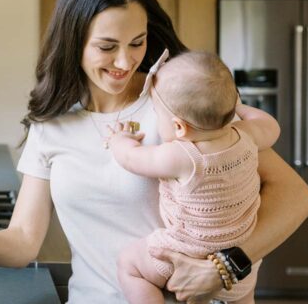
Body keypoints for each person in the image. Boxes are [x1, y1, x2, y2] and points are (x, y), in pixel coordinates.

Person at [0, 0, 308, 303]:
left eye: (138, 42)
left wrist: (226, 264)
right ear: (74, 41)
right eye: (107, 46)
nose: (125, 61)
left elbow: (296, 196)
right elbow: (22, 243)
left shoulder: (176, 105)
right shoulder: (51, 125)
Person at [108, 51, 281, 304]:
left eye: (156, 112)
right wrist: (239, 108)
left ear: (179, 127)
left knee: (129, 266)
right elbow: (271, 125)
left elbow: (132, 159)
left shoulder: (181, 156)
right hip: (241, 263)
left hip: (186, 254)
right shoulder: (248, 136)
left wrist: (118, 141)